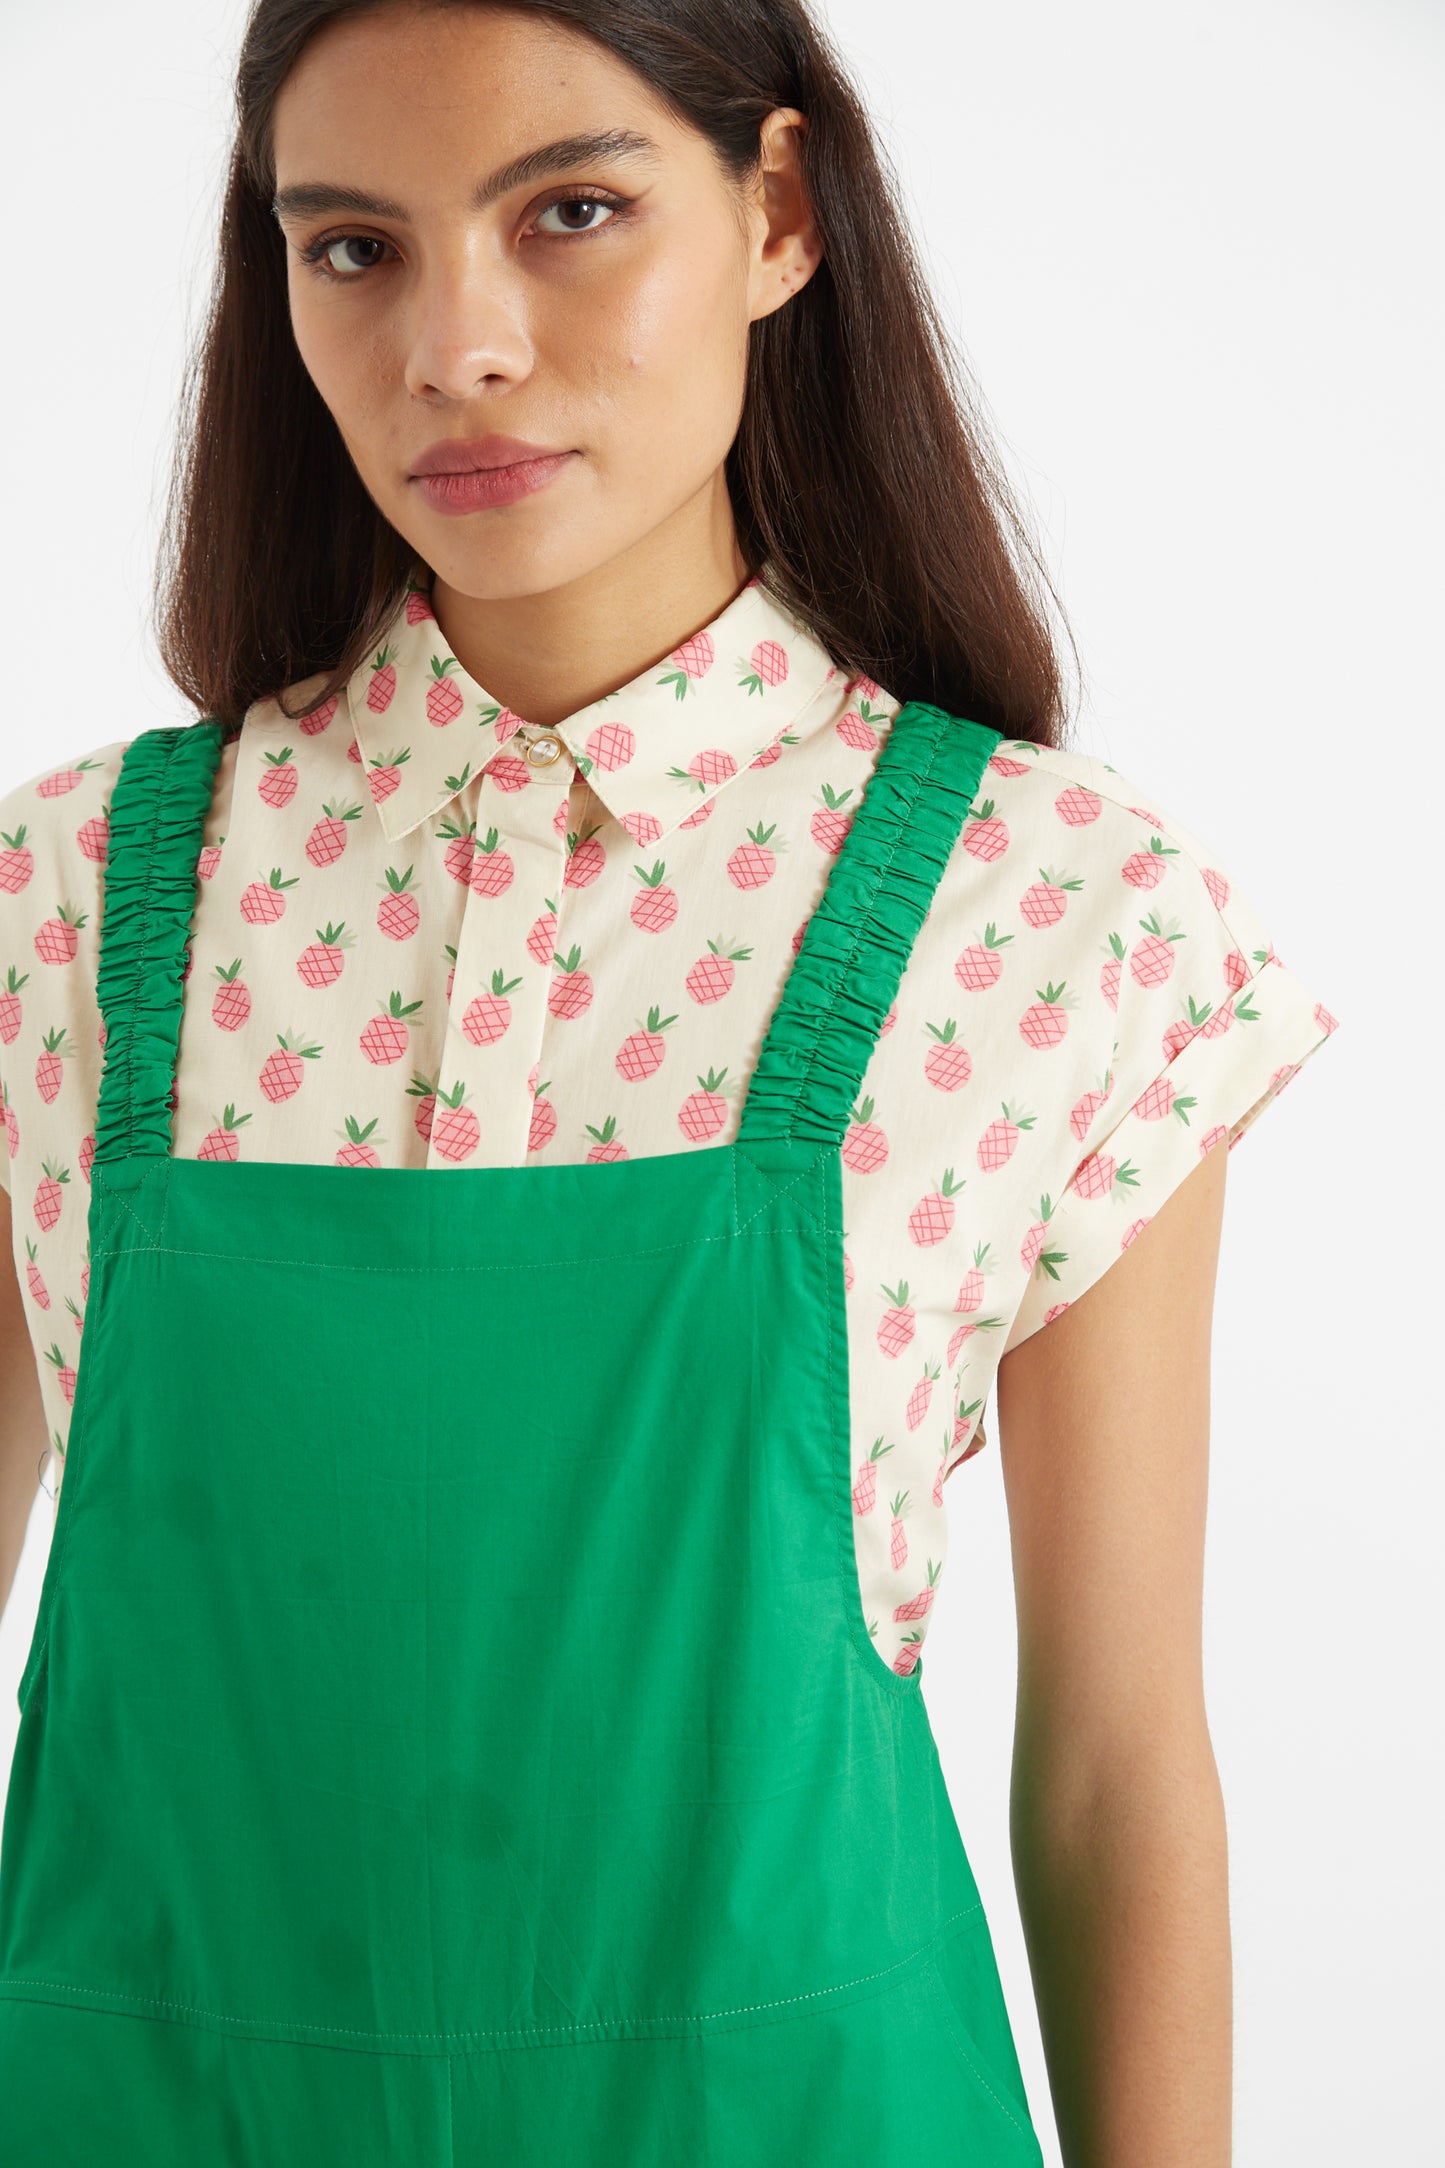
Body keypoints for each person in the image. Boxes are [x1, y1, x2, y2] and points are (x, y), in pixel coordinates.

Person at [0, 2, 1339, 2161]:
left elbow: (1112, 1761)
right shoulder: (69, 905)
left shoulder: (1054, 917)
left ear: (780, 213)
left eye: (571, 214)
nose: (457, 347)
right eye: (353, 248)